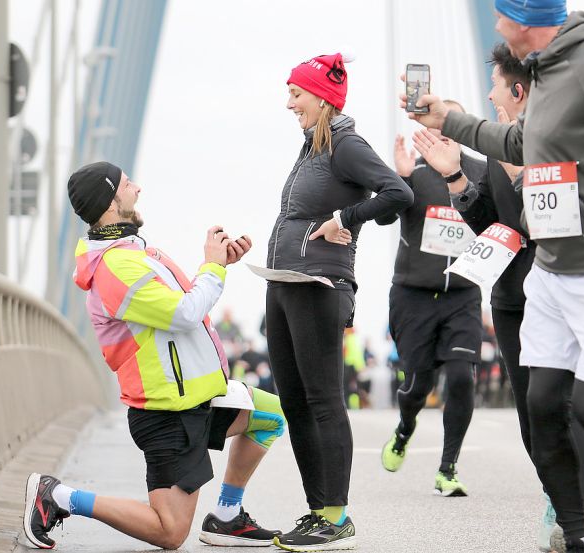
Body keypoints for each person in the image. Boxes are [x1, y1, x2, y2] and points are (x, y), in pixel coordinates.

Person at [404, 1, 584, 550]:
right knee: (541, 408)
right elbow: (521, 145)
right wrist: (446, 121)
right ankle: (575, 538)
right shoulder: (546, 72)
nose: (494, 26)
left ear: (525, 19)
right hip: (552, 273)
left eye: (501, 15)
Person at [22, 161, 287, 550]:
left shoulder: (132, 252)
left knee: (270, 415)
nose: (138, 189)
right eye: (128, 184)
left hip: (197, 397)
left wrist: (219, 265)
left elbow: (182, 306)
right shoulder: (115, 266)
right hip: (166, 413)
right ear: (111, 203)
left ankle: (227, 516)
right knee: (169, 531)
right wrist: (212, 265)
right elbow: (185, 314)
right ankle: (57, 496)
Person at [266, 52, 413, 551]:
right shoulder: (311, 146)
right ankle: (316, 511)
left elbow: (397, 193)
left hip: (318, 287)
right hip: (283, 283)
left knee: (324, 400)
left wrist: (347, 218)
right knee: (294, 402)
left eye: (296, 95)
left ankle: (337, 516)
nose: (289, 104)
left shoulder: (346, 144)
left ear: (322, 98)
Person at [377, 100, 486, 498]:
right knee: (418, 384)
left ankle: (448, 468)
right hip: (413, 294)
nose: (442, 133)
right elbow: (384, 217)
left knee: (460, 376)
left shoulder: (480, 170)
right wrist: (399, 179)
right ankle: (405, 428)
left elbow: (497, 217)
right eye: (435, 127)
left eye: (449, 126)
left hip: (462, 294)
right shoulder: (414, 170)